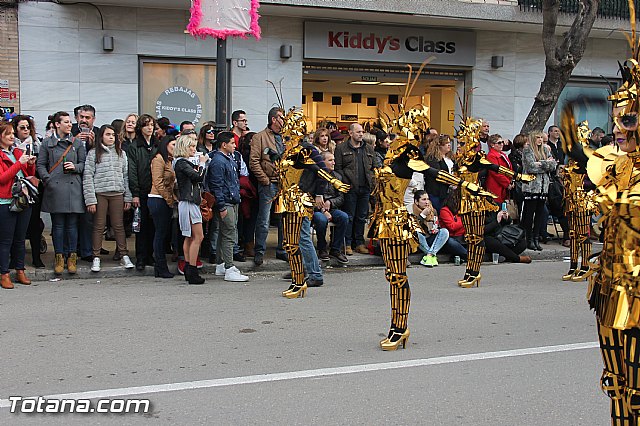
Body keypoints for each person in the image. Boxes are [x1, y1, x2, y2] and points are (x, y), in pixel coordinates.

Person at [369, 103, 494, 350]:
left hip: (396, 222)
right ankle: (397, 326)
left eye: (406, 125)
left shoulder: (409, 159)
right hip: (384, 220)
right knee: (391, 275)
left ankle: (400, 327)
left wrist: (467, 186)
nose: (399, 127)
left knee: (398, 276)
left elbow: (436, 173)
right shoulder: (392, 155)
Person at [587, 31, 640, 422]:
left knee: (636, 386)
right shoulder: (617, 163)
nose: (618, 128)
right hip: (608, 279)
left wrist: (611, 200)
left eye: (628, 118)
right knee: (613, 380)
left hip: (637, 286)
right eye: (618, 118)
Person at [271, 109, 349, 298]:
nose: (285, 131)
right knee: (291, 240)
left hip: (302, 196)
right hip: (287, 197)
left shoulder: (308, 149)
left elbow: (320, 170)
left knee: (302, 236)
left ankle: (314, 273)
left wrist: (322, 192)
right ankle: (301, 271)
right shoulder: (288, 149)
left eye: (290, 128)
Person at [453, 118, 533, 288]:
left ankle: (474, 272)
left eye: (462, 143)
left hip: (475, 201)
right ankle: (470, 272)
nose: (459, 146)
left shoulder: (477, 159)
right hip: (464, 200)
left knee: (476, 237)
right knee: (471, 237)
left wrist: (519, 177)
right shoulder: (459, 159)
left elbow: (497, 169)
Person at [37, 111, 86, 276]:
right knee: (58, 226)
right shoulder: (47, 144)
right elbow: (41, 165)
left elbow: (84, 164)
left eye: (69, 121)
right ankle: (59, 256)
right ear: (57, 124)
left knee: (72, 225)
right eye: (65, 122)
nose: (69, 124)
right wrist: (48, 179)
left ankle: (71, 257)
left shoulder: (77, 143)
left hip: (73, 189)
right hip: (55, 188)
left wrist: (75, 167)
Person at [83, 125, 134, 272]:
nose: (111, 137)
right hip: (100, 194)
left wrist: (128, 197)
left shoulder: (121, 153)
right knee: (99, 226)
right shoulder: (93, 154)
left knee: (118, 226)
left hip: (117, 193)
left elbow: (126, 176)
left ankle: (124, 255)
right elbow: (88, 176)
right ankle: (96, 257)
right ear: (101, 137)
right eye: (108, 134)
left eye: (113, 135)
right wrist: (91, 200)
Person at [207, 131, 249, 282]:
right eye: (232, 143)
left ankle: (221, 263)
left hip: (231, 200)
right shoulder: (219, 161)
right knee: (229, 234)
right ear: (224, 145)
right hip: (226, 202)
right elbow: (216, 186)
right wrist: (222, 206)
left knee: (225, 233)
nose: (234, 145)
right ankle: (229, 267)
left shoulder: (228, 158)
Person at [249, 107, 288, 266]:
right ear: (274, 119)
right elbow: (254, 162)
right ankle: (259, 251)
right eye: (282, 117)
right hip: (269, 183)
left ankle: (282, 250)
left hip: (284, 184)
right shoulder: (260, 137)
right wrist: (264, 180)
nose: (284, 120)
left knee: (283, 219)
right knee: (264, 219)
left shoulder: (287, 137)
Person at [0, 120, 36, 289]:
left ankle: (20, 269)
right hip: (5, 201)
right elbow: (2, 178)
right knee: (5, 240)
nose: (12, 136)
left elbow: (28, 175)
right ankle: (4, 273)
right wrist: (19, 163)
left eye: (13, 134)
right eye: (9, 134)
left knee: (20, 238)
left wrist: (30, 164)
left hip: (23, 199)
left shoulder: (16, 151)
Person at [334, 122, 378, 255]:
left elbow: (374, 166)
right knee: (350, 216)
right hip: (350, 188)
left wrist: (372, 179)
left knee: (361, 217)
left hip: (365, 187)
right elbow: (338, 168)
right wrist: (346, 181)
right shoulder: (341, 148)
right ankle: (347, 243)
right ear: (350, 133)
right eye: (358, 132)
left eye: (362, 132)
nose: (361, 134)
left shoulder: (369, 149)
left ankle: (359, 243)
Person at [173, 135, 207, 284]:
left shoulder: (181, 163)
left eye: (194, 146)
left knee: (189, 237)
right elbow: (198, 177)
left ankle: (189, 267)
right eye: (191, 147)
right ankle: (192, 269)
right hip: (189, 202)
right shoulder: (181, 163)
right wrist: (202, 164)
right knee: (197, 237)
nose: (194, 149)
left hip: (188, 202)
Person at [12, 115, 45, 268]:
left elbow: (34, 170)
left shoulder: (37, 144)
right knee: (16, 226)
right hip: (16, 188)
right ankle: (16, 261)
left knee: (34, 224)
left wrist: (31, 164)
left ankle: (36, 257)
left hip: (32, 188)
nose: (26, 130)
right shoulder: (12, 147)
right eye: (22, 128)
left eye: (28, 127)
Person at [127, 114, 158, 271]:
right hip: (142, 190)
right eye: (146, 125)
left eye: (151, 125)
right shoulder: (134, 147)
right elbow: (132, 171)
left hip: (156, 190)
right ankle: (140, 257)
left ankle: (150, 255)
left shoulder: (156, 145)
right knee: (141, 225)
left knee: (153, 225)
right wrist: (135, 193)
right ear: (140, 128)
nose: (150, 128)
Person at [311, 151, 349, 264]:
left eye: (334, 160)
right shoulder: (314, 176)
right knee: (321, 220)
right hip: (316, 209)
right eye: (330, 160)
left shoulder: (337, 176)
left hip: (331, 207)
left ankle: (336, 249)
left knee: (344, 217)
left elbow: (341, 197)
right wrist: (323, 209)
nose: (334, 163)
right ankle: (322, 248)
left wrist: (330, 203)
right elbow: (310, 197)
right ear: (322, 162)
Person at [521, 132, 556, 251]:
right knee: (529, 214)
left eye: (541, 137)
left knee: (540, 214)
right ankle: (528, 239)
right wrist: (546, 164)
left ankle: (536, 238)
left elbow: (553, 166)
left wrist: (541, 163)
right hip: (531, 186)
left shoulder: (545, 150)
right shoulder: (527, 150)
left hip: (543, 186)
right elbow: (531, 167)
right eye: (538, 138)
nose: (540, 140)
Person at [149, 135, 177, 278]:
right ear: (165, 145)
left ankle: (160, 267)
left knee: (163, 234)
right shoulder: (158, 159)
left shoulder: (170, 160)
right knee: (160, 234)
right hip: (158, 199)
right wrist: (169, 199)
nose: (175, 147)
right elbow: (158, 182)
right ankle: (160, 266)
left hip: (165, 199)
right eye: (173, 145)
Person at [411, 190, 450, 267]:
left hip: (430, 238)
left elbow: (436, 224)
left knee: (444, 231)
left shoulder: (433, 211)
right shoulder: (412, 212)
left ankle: (429, 255)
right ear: (416, 201)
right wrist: (422, 215)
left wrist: (435, 229)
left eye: (427, 199)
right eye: (423, 199)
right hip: (420, 242)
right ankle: (431, 255)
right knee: (416, 232)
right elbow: (413, 227)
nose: (427, 202)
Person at [423, 134, 453, 212]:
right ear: (439, 145)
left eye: (449, 142)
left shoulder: (450, 157)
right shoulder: (432, 158)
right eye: (446, 143)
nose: (449, 145)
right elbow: (437, 174)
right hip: (436, 192)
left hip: (446, 192)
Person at [485, 134, 514, 204]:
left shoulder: (502, 154)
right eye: (499, 143)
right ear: (492, 145)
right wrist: (507, 183)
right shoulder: (491, 156)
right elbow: (496, 173)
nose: (502, 144)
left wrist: (511, 181)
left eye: (502, 142)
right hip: (496, 187)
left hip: (504, 187)